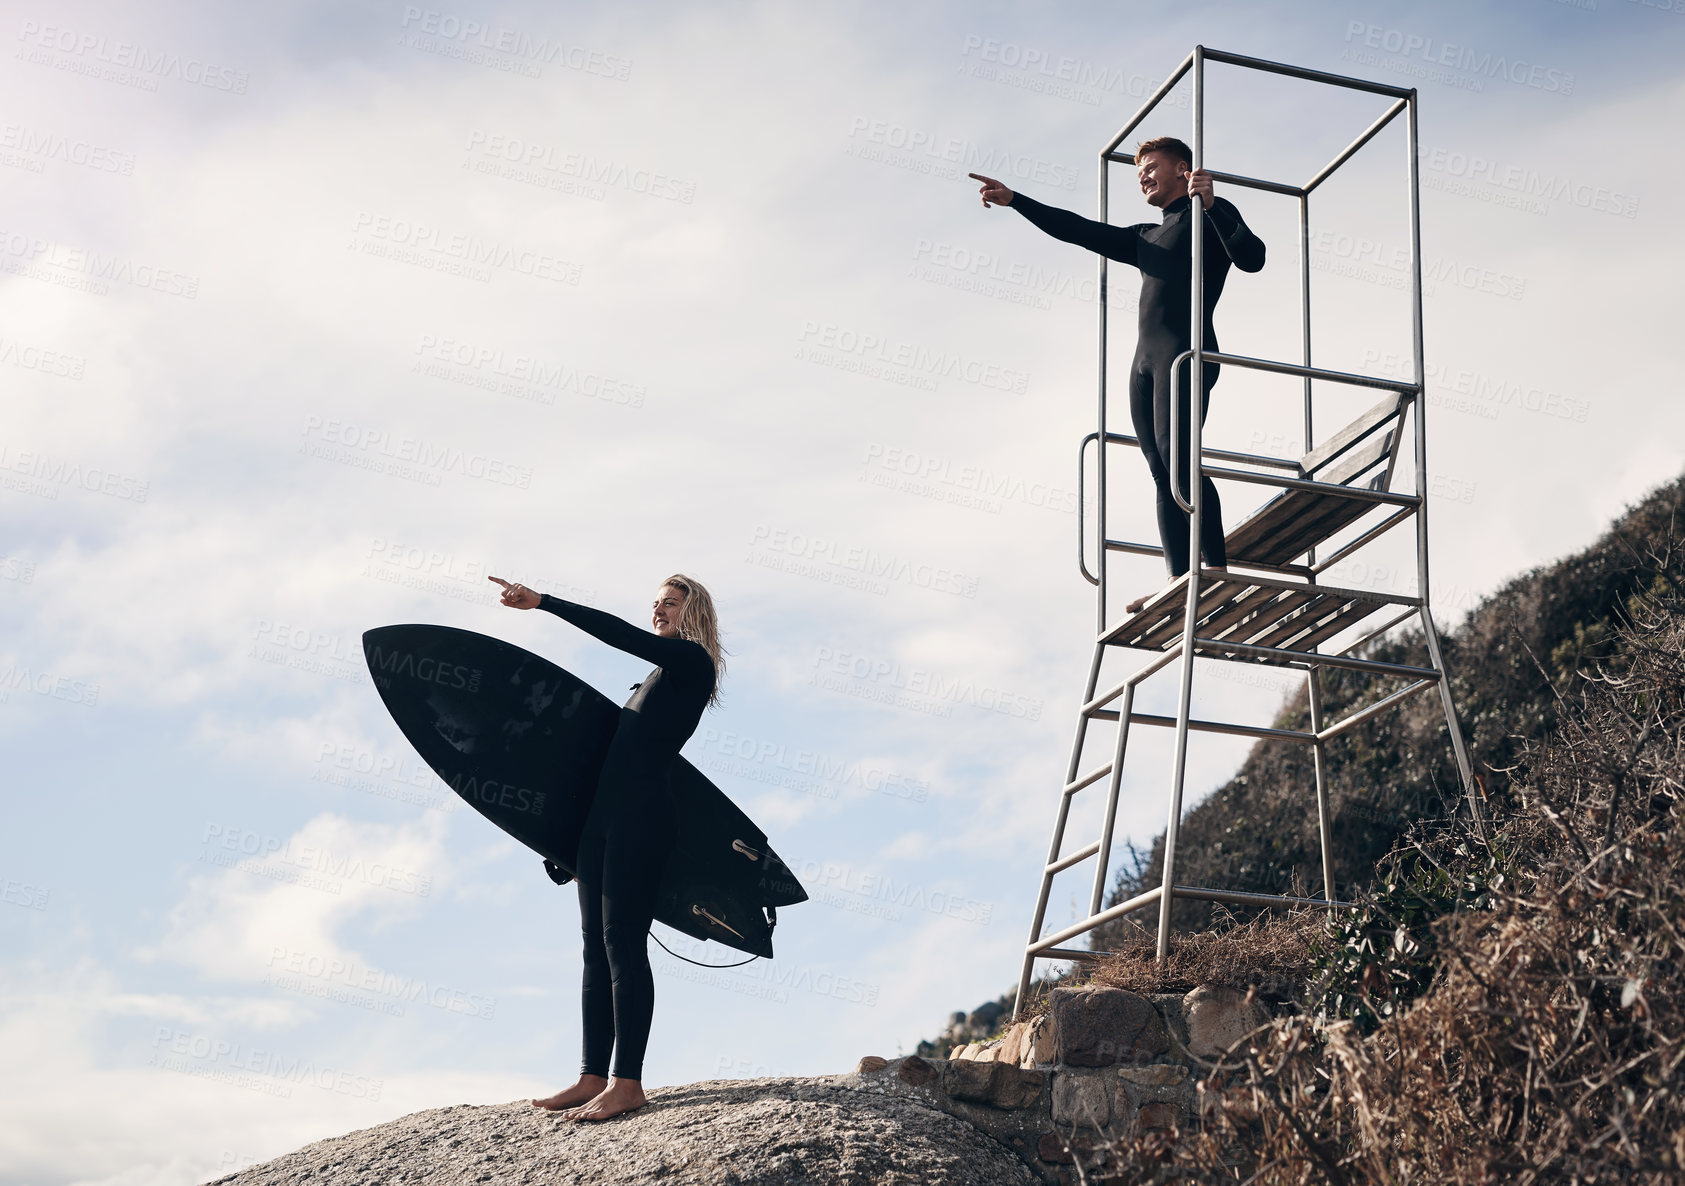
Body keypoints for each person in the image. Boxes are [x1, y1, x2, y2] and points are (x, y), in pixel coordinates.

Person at [970, 136, 1265, 613]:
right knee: (1159, 469)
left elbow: (1253, 258)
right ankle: (1179, 575)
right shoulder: (1145, 236)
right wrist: (1015, 200)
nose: (1143, 176)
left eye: (1151, 167)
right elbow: (1077, 229)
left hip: (1187, 355)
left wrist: (1212, 207)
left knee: (1179, 458)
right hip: (1144, 366)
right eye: (1138, 172)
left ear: (1181, 170)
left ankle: (1214, 569)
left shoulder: (1208, 212)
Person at [489, 572, 724, 1121]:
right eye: (656, 603)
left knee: (623, 944)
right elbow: (604, 763)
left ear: (695, 614)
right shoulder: (651, 681)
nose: (659, 610)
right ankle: (592, 1074)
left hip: (643, 820)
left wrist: (545, 603)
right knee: (594, 946)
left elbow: (616, 634)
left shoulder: (691, 664)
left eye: (670, 603)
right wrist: (565, 837)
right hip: (601, 821)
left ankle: (628, 1082)